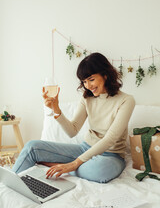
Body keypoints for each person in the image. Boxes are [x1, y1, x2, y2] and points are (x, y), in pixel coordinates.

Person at [12, 52, 135, 183]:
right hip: (85, 148)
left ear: (105, 75)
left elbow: (110, 139)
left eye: (91, 79)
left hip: (111, 156)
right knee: (32, 147)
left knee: (100, 171)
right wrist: (56, 109)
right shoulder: (87, 98)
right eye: (84, 81)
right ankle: (10, 183)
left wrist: (73, 164)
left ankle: (57, 166)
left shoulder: (126, 100)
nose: (87, 86)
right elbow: (72, 131)